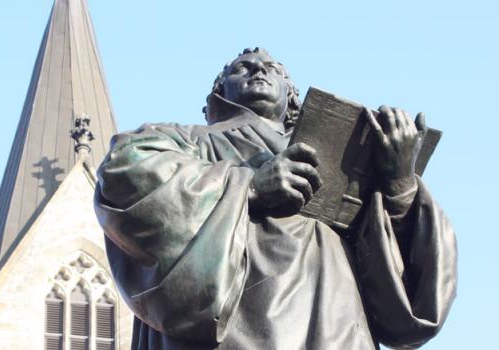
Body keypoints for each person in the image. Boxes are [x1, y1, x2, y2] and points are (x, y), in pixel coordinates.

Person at [94, 48, 457, 350]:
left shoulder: (340, 159)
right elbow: (125, 170)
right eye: (243, 68)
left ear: (292, 97)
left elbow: (406, 303)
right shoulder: (187, 140)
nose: (258, 70)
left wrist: (399, 184)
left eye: (272, 69)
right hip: (235, 326)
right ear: (217, 95)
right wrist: (249, 185)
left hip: (334, 324)